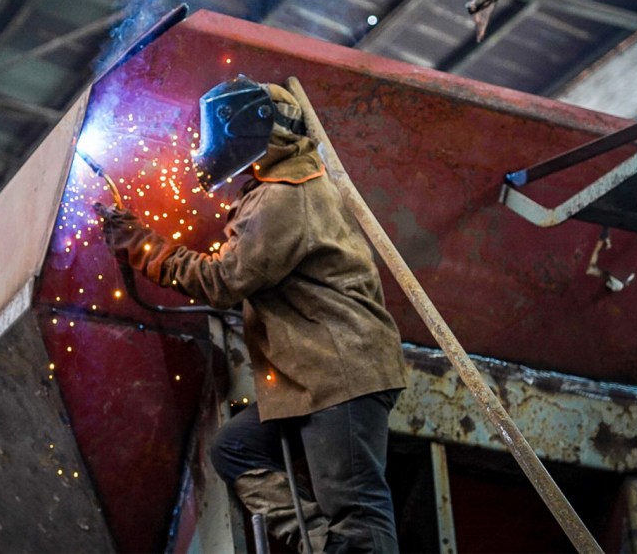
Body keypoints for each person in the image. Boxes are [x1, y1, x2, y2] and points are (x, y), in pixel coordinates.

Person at [95, 76, 408, 553]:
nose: (208, 144)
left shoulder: (288, 194)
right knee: (236, 448)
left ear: (250, 128)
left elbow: (223, 282)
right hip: (313, 375)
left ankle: (350, 547)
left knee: (358, 513)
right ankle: (328, 549)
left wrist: (142, 246)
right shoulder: (279, 187)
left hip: (341, 371)